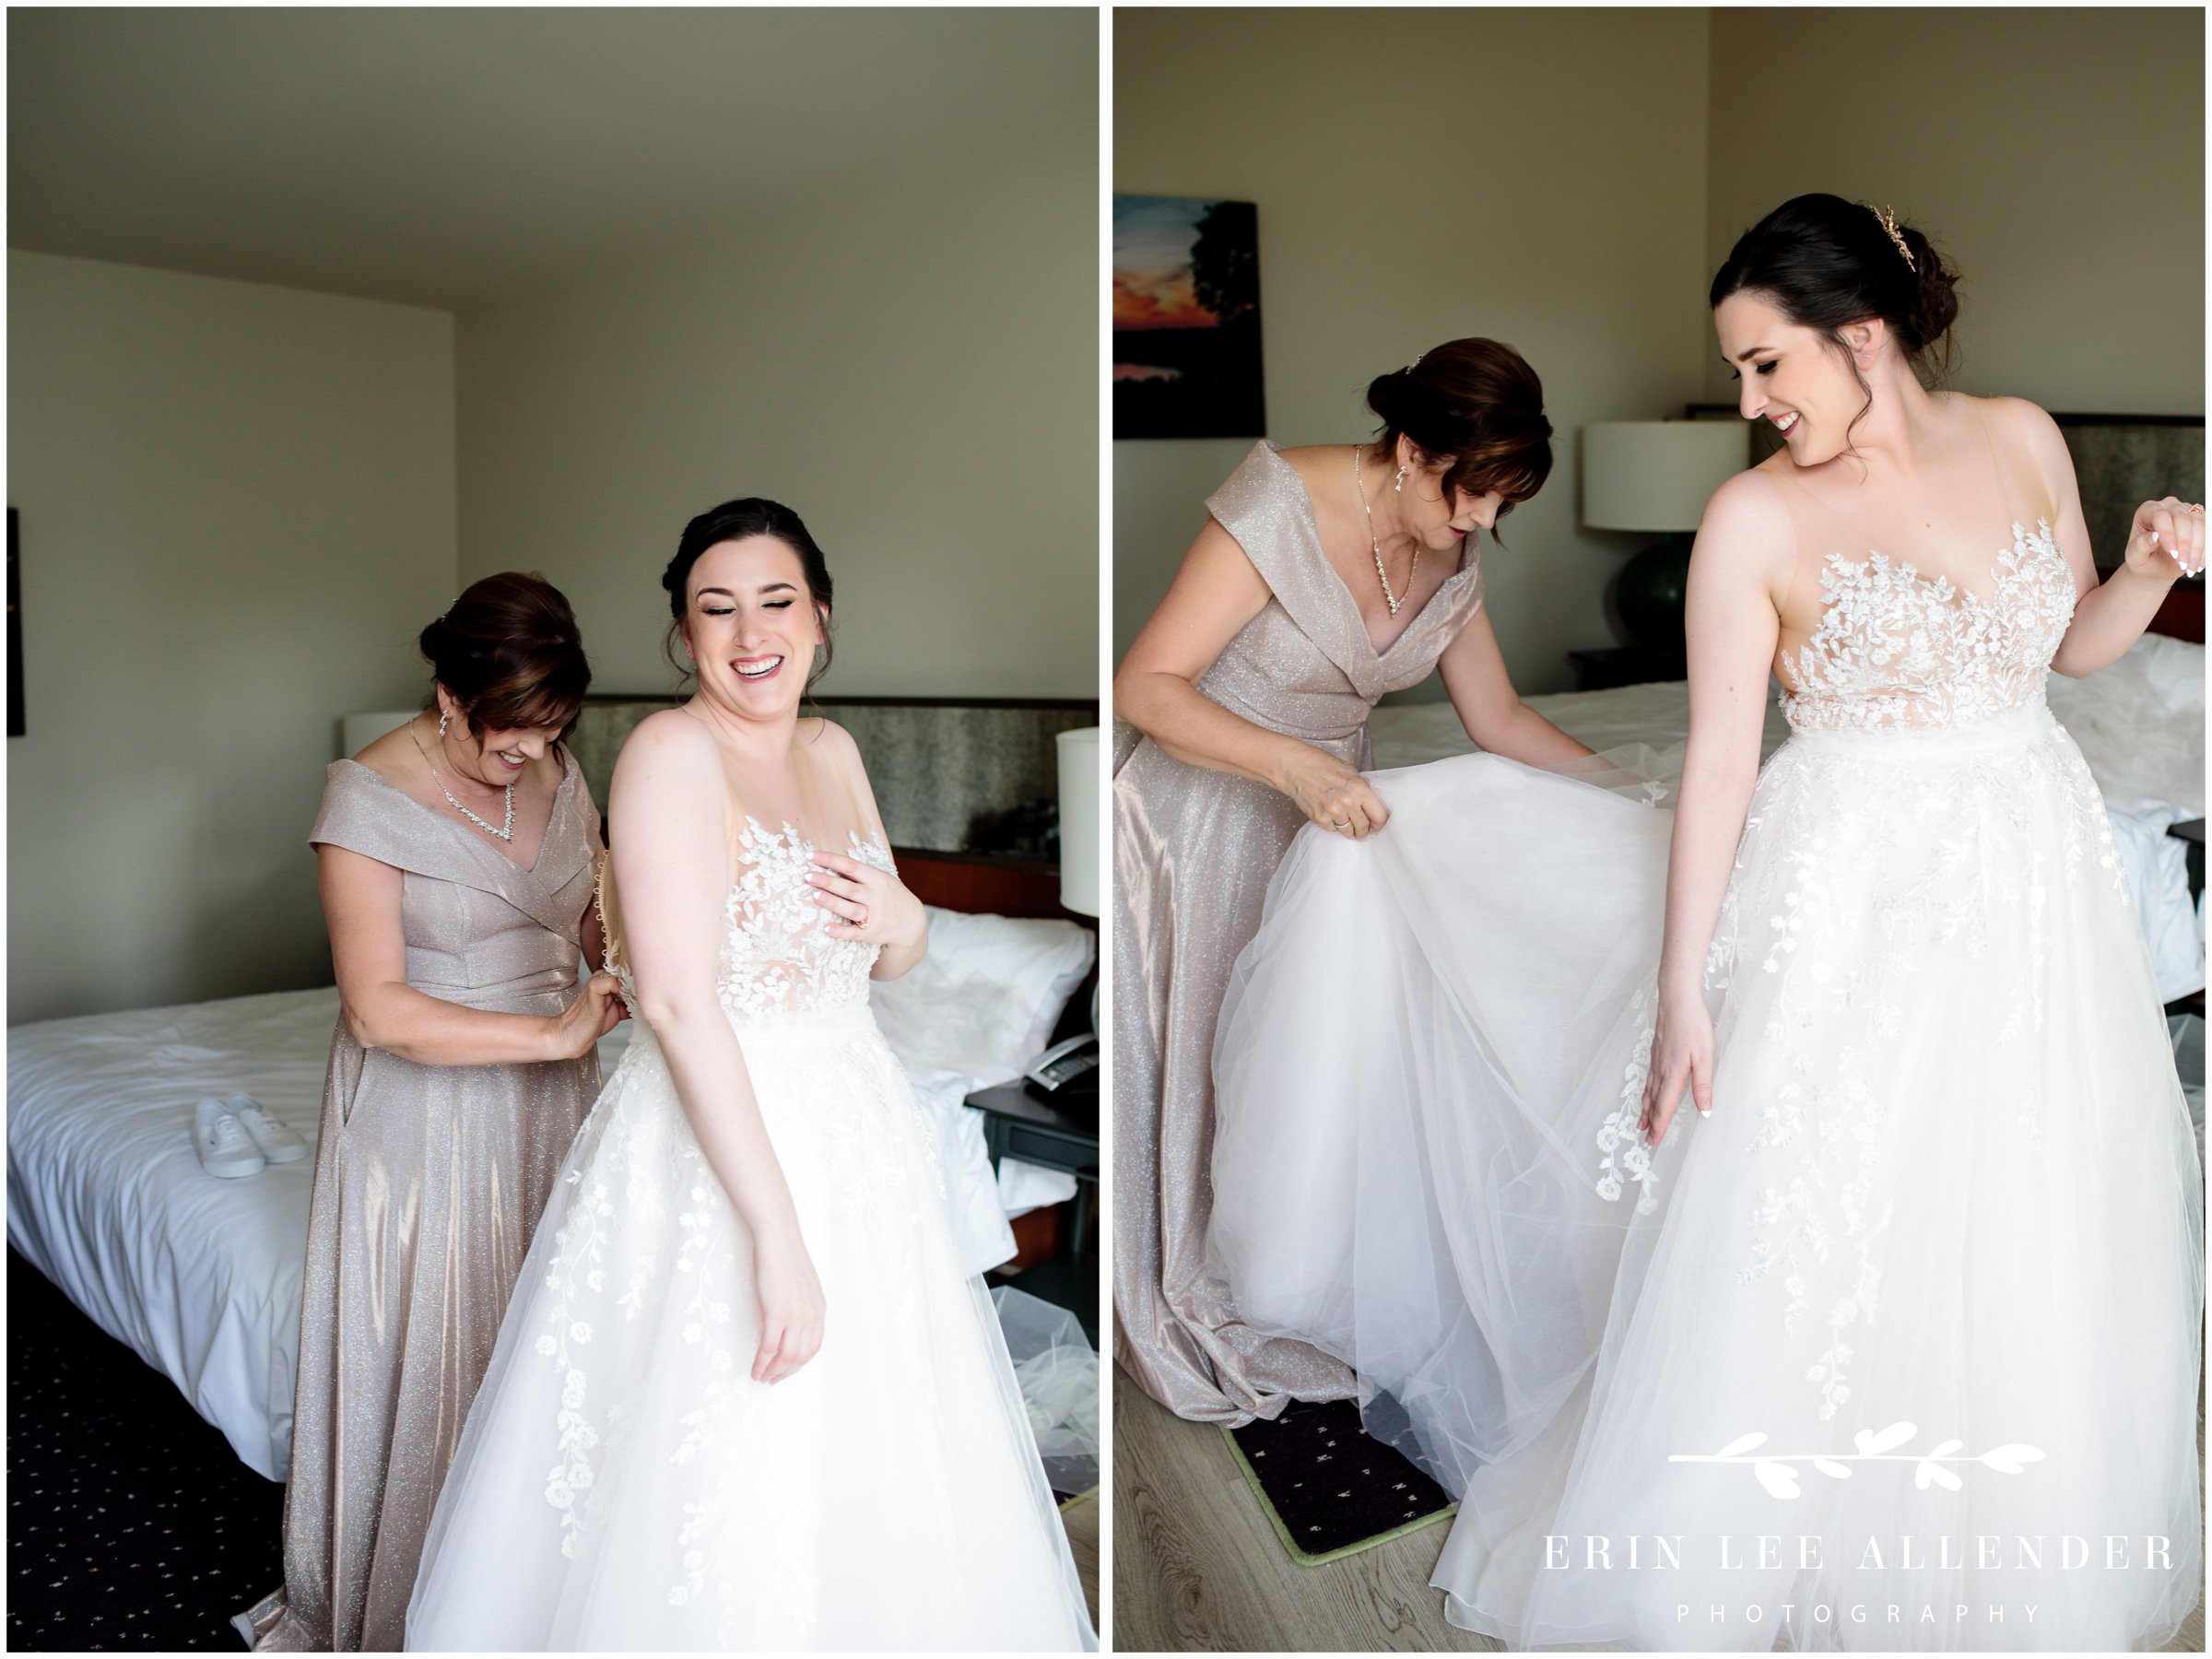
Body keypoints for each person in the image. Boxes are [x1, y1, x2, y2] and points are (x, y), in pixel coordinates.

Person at [1210, 195, 2204, 1649]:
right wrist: (1685, 994)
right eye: (1740, 374)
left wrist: (2152, 572)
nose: (1750, 403)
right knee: (1831, 1211)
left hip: (2028, 871)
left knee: (2018, 1199)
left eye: (1765, 367)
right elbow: (1726, 762)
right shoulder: (1755, 515)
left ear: (1862, 336)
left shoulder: (2024, 437)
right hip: (1851, 880)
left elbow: (2069, 651)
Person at [404, 500, 1095, 1650]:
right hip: (721, 1144)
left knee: (880, 1462)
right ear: (684, 636)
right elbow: (676, 1002)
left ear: (820, 618)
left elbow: (893, 956)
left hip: (858, 1125)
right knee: (725, 1461)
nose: (750, 632)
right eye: (715, 609)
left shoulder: (833, 752)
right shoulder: (672, 755)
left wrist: (906, 915)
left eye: (776, 601)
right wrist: (776, 1236)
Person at [1113, 339, 1593, 1423]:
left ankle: (1295, 1270)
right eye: (1470, 496)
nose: (1480, 525)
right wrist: (1292, 764)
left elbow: (1501, 718)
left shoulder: (1457, 541)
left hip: (1331, 829)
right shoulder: (1274, 506)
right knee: (1211, 1061)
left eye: (1500, 506)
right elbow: (1144, 684)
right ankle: (1200, 1278)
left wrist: (1628, 797)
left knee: (1313, 1062)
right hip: (1203, 815)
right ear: (1414, 452)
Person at [244, 574, 624, 1651]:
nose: (527, 759)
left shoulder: (556, 760)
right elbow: (376, 1010)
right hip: (428, 1113)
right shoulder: (363, 800)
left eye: (548, 736)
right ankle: (414, 1602)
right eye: (506, 737)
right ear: (449, 695)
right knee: (443, 1351)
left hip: (555, 1101)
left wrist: (635, 959)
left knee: (543, 1346)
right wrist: (550, 1034)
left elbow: (594, 924)